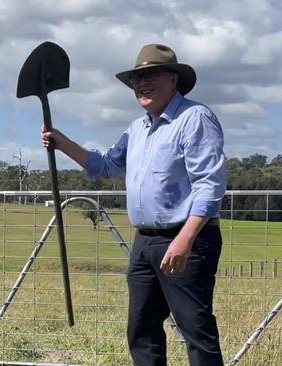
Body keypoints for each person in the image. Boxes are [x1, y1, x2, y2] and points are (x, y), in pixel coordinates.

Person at [41, 44, 226, 366]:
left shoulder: (195, 118)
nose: (141, 83)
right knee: (142, 329)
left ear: (174, 80)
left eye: (151, 75)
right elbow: (106, 165)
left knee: (196, 330)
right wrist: (61, 142)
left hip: (186, 240)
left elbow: (210, 184)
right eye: (137, 78)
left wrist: (186, 239)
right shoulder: (137, 128)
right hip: (145, 242)